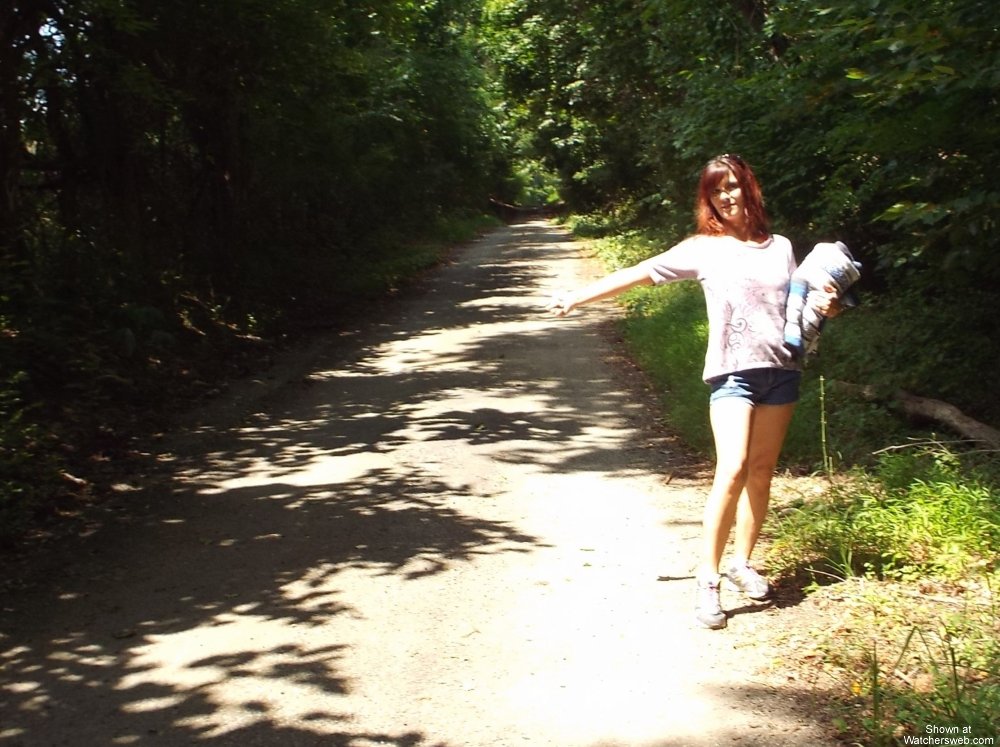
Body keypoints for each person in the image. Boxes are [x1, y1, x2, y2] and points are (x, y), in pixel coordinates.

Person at [547, 154, 839, 629]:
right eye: (715, 190)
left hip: (781, 370)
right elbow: (642, 271)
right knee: (733, 468)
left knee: (762, 472)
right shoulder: (705, 248)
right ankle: (708, 578)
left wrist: (829, 306)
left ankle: (742, 562)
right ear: (708, 198)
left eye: (732, 186)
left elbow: (801, 310)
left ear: (749, 187)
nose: (726, 196)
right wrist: (578, 296)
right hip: (732, 374)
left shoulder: (781, 246)